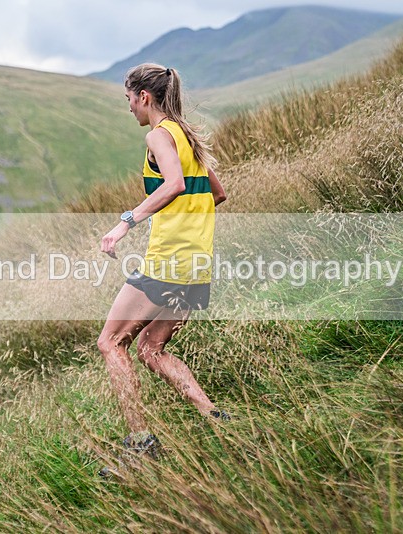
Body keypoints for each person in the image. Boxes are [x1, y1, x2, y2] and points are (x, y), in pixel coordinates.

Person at [97, 63, 229, 465]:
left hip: (168, 261)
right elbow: (217, 194)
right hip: (195, 264)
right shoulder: (184, 134)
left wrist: (125, 222)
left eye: (129, 100)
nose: (129, 109)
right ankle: (217, 418)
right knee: (151, 349)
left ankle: (139, 444)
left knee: (110, 342)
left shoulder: (158, 135)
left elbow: (174, 184)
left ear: (145, 97)